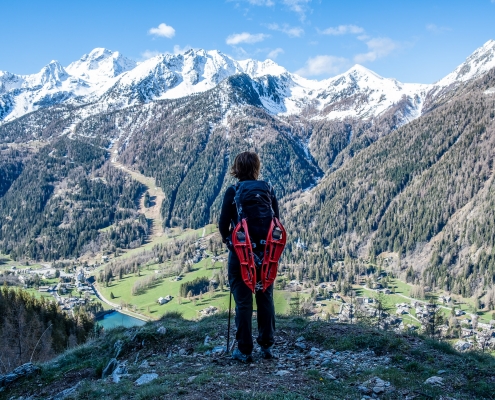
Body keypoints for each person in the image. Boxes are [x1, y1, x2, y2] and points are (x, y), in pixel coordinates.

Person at [218, 151, 280, 362]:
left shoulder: (233, 191)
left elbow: (223, 226)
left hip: (242, 255)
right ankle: (267, 346)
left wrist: (233, 246)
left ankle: (244, 350)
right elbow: (276, 223)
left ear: (237, 168)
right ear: (256, 168)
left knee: (243, 301)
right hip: (266, 256)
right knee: (265, 297)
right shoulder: (268, 190)